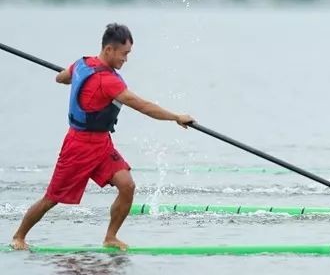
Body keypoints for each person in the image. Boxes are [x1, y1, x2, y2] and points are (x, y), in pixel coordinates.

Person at [10, 24, 193, 251]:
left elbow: (61, 78)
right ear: (108, 50)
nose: (126, 59)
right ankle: (19, 236)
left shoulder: (81, 64)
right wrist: (176, 117)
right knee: (52, 198)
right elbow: (143, 106)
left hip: (102, 143)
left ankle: (111, 237)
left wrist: (75, 77)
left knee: (127, 185)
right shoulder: (108, 81)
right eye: (124, 54)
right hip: (78, 146)